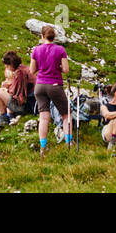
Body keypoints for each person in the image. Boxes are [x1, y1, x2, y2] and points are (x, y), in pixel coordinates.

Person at [29, 24, 70, 152]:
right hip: (54, 85)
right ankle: (69, 142)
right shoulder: (60, 50)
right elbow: (66, 70)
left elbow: (32, 70)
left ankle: (43, 146)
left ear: (42, 36)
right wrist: (57, 67)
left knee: (44, 117)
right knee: (66, 114)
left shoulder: (36, 50)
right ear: (54, 37)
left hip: (40, 86)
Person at [0, 50, 31, 127]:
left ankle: (3, 118)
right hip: (29, 103)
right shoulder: (23, 68)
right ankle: (5, 116)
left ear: (11, 64)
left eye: (7, 66)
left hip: (22, 107)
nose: (6, 67)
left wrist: (6, 89)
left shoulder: (19, 73)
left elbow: (16, 93)